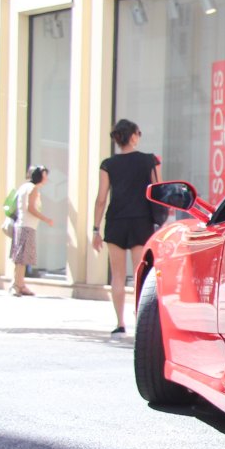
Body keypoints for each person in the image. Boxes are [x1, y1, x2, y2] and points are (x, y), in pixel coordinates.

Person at [92, 119, 160, 335]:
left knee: (118, 276)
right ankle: (140, 320)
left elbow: (101, 198)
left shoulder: (108, 164)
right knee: (141, 275)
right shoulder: (149, 161)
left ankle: (120, 323)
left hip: (116, 222)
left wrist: (95, 229)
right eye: (138, 133)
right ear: (132, 136)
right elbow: (158, 191)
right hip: (141, 221)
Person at [9, 165, 54, 296]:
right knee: (21, 258)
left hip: (22, 225)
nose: (46, 179)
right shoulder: (33, 189)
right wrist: (46, 219)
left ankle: (20, 284)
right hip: (26, 226)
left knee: (20, 257)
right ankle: (16, 285)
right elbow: (31, 208)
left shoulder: (24, 187)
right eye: (44, 175)